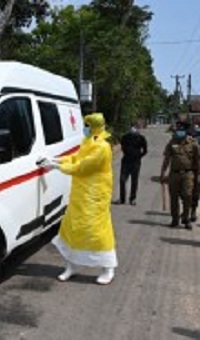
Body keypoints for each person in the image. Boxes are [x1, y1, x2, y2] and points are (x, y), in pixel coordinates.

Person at [39, 113, 117, 285]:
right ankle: (71, 265)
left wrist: (55, 166)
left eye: (87, 125)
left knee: (96, 231)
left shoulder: (103, 147)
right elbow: (76, 157)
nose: (85, 128)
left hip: (96, 196)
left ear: (95, 127)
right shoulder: (89, 142)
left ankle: (108, 268)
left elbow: (81, 167)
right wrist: (56, 159)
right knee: (72, 227)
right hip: (80, 195)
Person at [160, 120, 200, 229]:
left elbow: (197, 161)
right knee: (173, 197)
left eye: (181, 129)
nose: (179, 131)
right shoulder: (172, 142)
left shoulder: (193, 144)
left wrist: (199, 176)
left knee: (188, 196)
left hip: (188, 174)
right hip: (174, 174)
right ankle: (175, 219)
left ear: (186, 130)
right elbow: (167, 159)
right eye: (177, 129)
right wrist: (163, 173)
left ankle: (186, 218)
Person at [114, 121, 148, 205]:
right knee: (122, 180)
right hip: (126, 161)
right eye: (133, 127)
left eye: (136, 127)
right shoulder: (125, 137)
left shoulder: (141, 138)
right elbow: (122, 146)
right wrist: (126, 153)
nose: (133, 129)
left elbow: (145, 150)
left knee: (134, 180)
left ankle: (132, 199)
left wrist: (139, 156)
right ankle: (122, 199)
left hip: (136, 162)